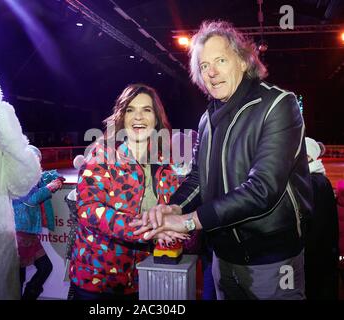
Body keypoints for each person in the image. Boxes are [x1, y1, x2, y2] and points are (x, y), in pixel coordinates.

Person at [132, 20, 312, 300]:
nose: (212, 72)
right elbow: (198, 179)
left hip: (271, 258)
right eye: (204, 66)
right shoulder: (206, 119)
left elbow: (263, 189)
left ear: (242, 61)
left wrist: (191, 221)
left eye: (220, 60)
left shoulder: (278, 105)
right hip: (222, 255)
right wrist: (174, 208)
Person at [69, 83, 186, 300]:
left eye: (146, 110)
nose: (138, 117)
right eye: (130, 110)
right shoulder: (102, 154)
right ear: (122, 117)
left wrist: (178, 225)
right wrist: (148, 230)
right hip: (99, 280)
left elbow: (173, 209)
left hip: (145, 277)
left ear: (157, 119)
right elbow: (89, 210)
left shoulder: (164, 162)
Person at [13, 145, 65, 300]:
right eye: (36, 160)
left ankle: (28, 296)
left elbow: (46, 176)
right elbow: (31, 200)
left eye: (40, 161)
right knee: (19, 276)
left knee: (43, 268)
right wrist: (49, 188)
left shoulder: (31, 176)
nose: (39, 164)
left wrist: (55, 178)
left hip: (27, 231)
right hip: (18, 230)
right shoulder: (18, 177)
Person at [304, 137, 339, 299]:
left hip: (314, 257)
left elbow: (314, 227)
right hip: (320, 255)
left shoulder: (313, 183)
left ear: (308, 157)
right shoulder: (317, 180)